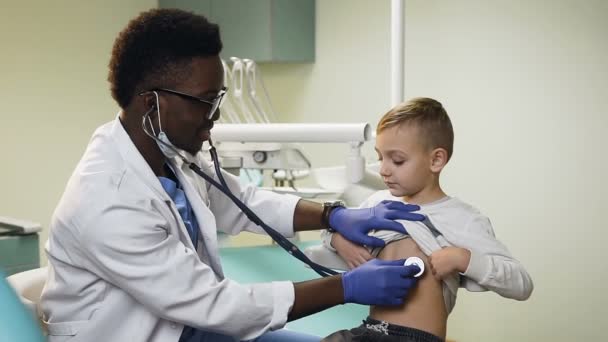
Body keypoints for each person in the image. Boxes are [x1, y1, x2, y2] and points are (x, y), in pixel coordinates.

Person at [39, 8, 427, 342]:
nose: (216, 116)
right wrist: (344, 288)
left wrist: (332, 214)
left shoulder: (163, 154)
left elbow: (243, 201)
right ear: (151, 104)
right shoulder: (107, 200)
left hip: (191, 328)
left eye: (218, 99)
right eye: (207, 101)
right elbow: (215, 304)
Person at [306, 98, 534, 342]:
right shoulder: (375, 204)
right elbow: (329, 229)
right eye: (380, 157)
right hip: (370, 331)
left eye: (397, 160)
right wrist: (341, 242)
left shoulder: (461, 218)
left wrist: (464, 259)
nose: (383, 169)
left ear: (436, 160)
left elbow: (521, 284)